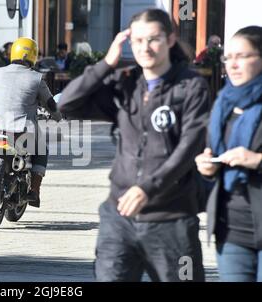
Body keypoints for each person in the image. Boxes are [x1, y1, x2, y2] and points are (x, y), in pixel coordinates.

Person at [58, 9, 210, 281]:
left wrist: (147, 189)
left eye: (153, 39)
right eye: (138, 41)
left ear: (170, 40)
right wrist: (106, 63)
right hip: (119, 220)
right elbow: (67, 103)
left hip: (172, 220)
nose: (145, 48)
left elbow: (189, 147)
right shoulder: (126, 83)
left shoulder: (191, 86)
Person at [195, 26, 262, 282]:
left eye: (242, 56)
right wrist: (207, 167)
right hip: (231, 227)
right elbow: (214, 153)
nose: (232, 65)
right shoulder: (222, 103)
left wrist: (257, 161)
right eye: (228, 57)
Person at [0, 37, 62, 207]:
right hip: (22, 131)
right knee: (41, 148)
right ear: (33, 56)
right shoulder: (37, 78)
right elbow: (51, 104)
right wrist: (59, 116)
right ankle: (34, 191)